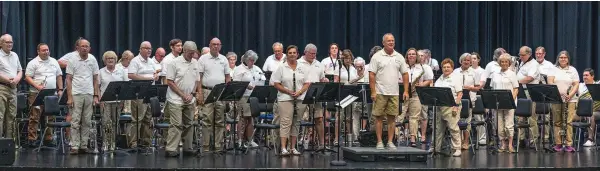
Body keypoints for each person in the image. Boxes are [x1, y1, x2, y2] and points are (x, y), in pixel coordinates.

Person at [369, 33, 409, 150]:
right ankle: (380, 142)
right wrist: (373, 91)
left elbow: (405, 74)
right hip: (380, 92)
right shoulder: (376, 56)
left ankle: (390, 142)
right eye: (388, 41)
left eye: (392, 40)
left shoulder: (399, 57)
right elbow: (372, 75)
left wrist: (406, 91)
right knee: (379, 118)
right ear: (383, 43)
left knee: (392, 118)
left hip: (394, 93)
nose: (391, 42)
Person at [164, 41, 201, 157]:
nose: (192, 55)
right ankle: (171, 149)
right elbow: (169, 81)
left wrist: (192, 93)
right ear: (184, 51)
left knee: (189, 124)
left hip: (189, 98)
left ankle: (188, 147)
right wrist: (182, 94)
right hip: (175, 99)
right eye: (190, 53)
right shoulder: (174, 63)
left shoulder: (195, 63)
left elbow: (197, 80)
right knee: (176, 124)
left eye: (194, 53)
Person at [272, 45, 310, 155]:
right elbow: (276, 83)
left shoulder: (303, 67)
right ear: (287, 54)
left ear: (297, 54)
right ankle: (284, 148)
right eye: (290, 53)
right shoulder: (281, 67)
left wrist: (299, 92)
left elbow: (307, 83)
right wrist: (288, 91)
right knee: (285, 122)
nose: (292, 55)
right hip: (285, 99)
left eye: (294, 53)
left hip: (300, 98)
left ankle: (293, 148)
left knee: (296, 123)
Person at [24, 43, 63, 146]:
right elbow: (27, 77)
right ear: (38, 52)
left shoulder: (54, 61)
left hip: (51, 93)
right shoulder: (33, 63)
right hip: (36, 93)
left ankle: (48, 139)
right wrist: (37, 86)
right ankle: (32, 139)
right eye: (44, 50)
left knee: (50, 116)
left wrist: (60, 89)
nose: (46, 52)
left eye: (47, 50)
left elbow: (59, 75)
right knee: (35, 116)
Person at [65, 38, 100, 154]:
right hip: (76, 93)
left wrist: (96, 95)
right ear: (78, 48)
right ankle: (74, 145)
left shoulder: (93, 59)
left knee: (87, 120)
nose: (85, 48)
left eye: (87, 46)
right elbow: (68, 79)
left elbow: (96, 79)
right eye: (83, 46)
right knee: (75, 120)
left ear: (89, 48)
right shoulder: (72, 60)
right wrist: (69, 97)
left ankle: (84, 145)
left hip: (89, 93)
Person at [198, 38, 231, 152]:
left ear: (220, 46)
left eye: (218, 44)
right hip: (207, 91)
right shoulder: (203, 58)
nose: (215, 46)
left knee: (219, 120)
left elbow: (227, 77)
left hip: (221, 91)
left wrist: (227, 93)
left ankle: (218, 146)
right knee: (207, 119)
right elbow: (199, 77)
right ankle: (206, 146)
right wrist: (200, 93)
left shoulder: (224, 59)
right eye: (213, 44)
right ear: (209, 45)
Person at [398, 48, 433, 147]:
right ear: (407, 56)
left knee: (414, 117)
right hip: (404, 93)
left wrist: (422, 84)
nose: (411, 56)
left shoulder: (422, 67)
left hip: (416, 94)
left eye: (413, 54)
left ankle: (413, 138)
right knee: (400, 115)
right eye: (409, 54)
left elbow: (429, 80)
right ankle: (395, 137)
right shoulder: (403, 66)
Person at [298, 43, 329, 149]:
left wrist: (324, 80)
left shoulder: (319, 64)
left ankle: (321, 144)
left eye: (315, 54)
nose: (313, 56)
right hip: (301, 96)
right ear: (305, 52)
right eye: (311, 53)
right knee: (301, 119)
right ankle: (300, 141)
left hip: (316, 95)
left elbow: (321, 79)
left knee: (319, 119)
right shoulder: (298, 63)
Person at [127, 41, 157, 150]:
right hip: (139, 93)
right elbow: (131, 75)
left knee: (148, 118)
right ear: (140, 49)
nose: (149, 50)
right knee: (137, 119)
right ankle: (133, 142)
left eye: (150, 48)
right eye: (146, 48)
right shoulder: (135, 61)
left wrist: (155, 76)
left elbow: (154, 74)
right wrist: (146, 79)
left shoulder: (151, 61)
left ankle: (146, 141)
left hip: (150, 92)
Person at [548, 50, 579, 152]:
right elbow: (550, 82)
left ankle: (569, 144)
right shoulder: (553, 69)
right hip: (556, 99)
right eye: (561, 57)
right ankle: (558, 144)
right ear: (558, 59)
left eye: (565, 57)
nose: (563, 59)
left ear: (568, 59)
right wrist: (559, 93)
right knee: (557, 122)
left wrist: (570, 95)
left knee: (568, 122)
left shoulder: (573, 70)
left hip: (570, 99)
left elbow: (576, 84)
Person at [232, 50, 264, 148]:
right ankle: (240, 140)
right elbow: (236, 84)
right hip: (243, 96)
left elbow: (262, 79)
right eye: (251, 60)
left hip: (254, 97)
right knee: (242, 118)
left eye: (254, 60)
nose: (252, 62)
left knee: (251, 119)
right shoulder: (239, 69)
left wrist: (258, 86)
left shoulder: (257, 68)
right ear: (246, 59)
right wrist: (247, 86)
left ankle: (250, 140)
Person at [431, 58, 463, 157]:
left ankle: (457, 148)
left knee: (453, 128)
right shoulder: (440, 78)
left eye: (448, 67)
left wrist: (456, 106)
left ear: (452, 68)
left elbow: (460, 93)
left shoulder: (456, 78)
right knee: (437, 129)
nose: (446, 69)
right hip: (439, 106)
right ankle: (435, 148)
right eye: (444, 67)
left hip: (451, 106)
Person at [98, 51, 126, 152]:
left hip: (117, 102)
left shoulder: (121, 71)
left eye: (112, 58)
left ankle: (113, 143)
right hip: (105, 102)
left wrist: (123, 100)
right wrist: (100, 100)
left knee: (115, 123)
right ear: (104, 61)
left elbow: (124, 86)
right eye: (108, 58)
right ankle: (105, 143)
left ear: (115, 60)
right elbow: (98, 87)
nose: (110, 60)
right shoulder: (101, 71)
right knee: (106, 123)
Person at [490, 54, 518, 153]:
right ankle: (502, 144)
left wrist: (511, 100)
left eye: (506, 62)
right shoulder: (495, 74)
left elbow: (515, 89)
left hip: (509, 103)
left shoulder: (512, 74)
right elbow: (492, 89)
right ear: (499, 63)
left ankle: (510, 145)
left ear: (509, 63)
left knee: (509, 124)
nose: (504, 63)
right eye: (502, 62)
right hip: (497, 103)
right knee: (499, 124)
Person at [453, 53, 480, 150]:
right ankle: (458, 141)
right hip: (457, 99)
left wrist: (469, 87)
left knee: (467, 122)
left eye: (468, 60)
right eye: (464, 60)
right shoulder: (455, 71)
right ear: (461, 61)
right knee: (457, 121)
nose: (466, 62)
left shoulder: (474, 73)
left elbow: (478, 88)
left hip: (469, 99)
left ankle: (466, 142)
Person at [516, 46, 541, 147]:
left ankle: (533, 140)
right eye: (520, 55)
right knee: (519, 117)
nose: (520, 57)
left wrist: (515, 82)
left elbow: (530, 78)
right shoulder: (522, 62)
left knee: (531, 117)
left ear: (529, 54)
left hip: (530, 92)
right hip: (521, 91)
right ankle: (521, 139)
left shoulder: (534, 64)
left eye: (522, 55)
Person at [0, 34, 22, 143]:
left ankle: (9, 143)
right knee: (0, 116)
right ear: (1, 44)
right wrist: (9, 80)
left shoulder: (15, 55)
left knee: (11, 116)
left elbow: (20, 70)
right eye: (7, 42)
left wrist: (17, 79)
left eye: (11, 42)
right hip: (2, 88)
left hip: (13, 89)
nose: (9, 44)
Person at [578, 68, 600, 147]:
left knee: (590, 114)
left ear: (592, 76)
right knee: (568, 116)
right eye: (583, 75)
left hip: (597, 111)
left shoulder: (598, 85)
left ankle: (590, 139)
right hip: (581, 112)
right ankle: (565, 141)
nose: (584, 77)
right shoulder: (580, 86)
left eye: (587, 75)